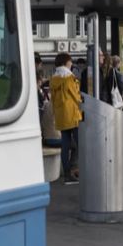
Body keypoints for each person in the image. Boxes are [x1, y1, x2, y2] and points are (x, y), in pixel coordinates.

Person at [50, 53, 82, 184]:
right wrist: (82, 103)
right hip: (72, 114)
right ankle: (76, 168)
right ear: (65, 62)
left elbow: (52, 98)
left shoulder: (53, 78)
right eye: (70, 61)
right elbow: (76, 96)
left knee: (65, 145)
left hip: (61, 115)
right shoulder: (69, 77)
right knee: (82, 143)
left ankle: (67, 175)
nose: (71, 63)